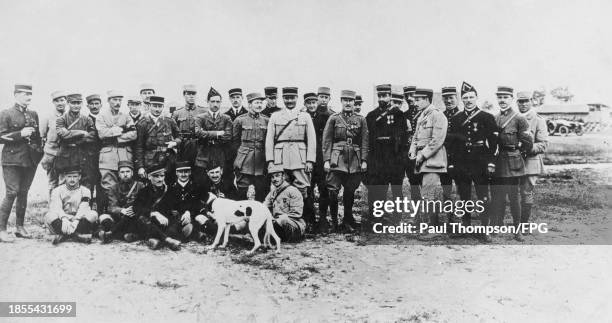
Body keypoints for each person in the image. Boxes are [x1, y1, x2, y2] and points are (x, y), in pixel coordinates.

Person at [446, 82, 498, 239]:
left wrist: (491, 162)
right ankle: (466, 226)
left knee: (483, 196)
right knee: (464, 196)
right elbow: (451, 144)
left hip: (480, 162)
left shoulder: (486, 117)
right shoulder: (456, 119)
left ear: (476, 98)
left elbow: (494, 143)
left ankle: (485, 229)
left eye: (471, 97)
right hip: (461, 163)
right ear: (462, 100)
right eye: (465, 97)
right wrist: (452, 163)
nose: (468, 100)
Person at [265, 87, 317, 231]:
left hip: (299, 157)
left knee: (303, 188)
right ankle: (279, 222)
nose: (289, 101)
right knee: (279, 187)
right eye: (287, 98)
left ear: (296, 98)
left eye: (292, 98)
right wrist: (270, 160)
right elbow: (269, 139)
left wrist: (310, 160)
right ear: (283, 99)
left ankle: (305, 221)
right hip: (280, 157)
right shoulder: (275, 116)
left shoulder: (305, 116)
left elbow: (311, 139)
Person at [0, 84, 43, 242]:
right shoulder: (6, 113)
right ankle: (2, 229)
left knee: (23, 192)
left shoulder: (33, 114)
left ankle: (20, 227)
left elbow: (37, 137)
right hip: (11, 160)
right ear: (16, 95)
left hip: (29, 160)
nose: (29, 97)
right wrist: (20, 134)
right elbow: (0, 136)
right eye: (25, 94)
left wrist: (39, 154)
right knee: (12, 192)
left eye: (30, 94)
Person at [490, 86, 533, 241]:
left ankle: (517, 230)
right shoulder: (494, 118)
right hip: (498, 162)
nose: (502, 100)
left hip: (514, 163)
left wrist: (517, 152)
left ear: (511, 99)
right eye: (499, 97)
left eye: (505, 97)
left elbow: (528, 142)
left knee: (515, 198)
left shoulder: (519, 118)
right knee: (497, 196)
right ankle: (496, 226)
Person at [322, 90, 369, 233]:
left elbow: (365, 141)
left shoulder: (361, 119)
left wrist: (364, 160)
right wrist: (326, 160)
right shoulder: (334, 118)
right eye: (345, 100)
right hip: (337, 160)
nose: (348, 103)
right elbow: (327, 140)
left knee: (350, 191)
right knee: (333, 192)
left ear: (355, 102)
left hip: (354, 160)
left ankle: (347, 220)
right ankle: (335, 222)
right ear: (341, 101)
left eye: (351, 100)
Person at [365, 85, 407, 229]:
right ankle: (376, 218)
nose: (382, 98)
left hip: (394, 159)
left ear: (390, 96)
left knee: (396, 190)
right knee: (378, 190)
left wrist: (401, 160)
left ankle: (397, 219)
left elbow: (403, 139)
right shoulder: (371, 115)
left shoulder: (399, 114)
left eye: (385, 95)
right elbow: (367, 138)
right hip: (378, 159)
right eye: (380, 96)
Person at [408, 88, 448, 227]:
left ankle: (434, 226)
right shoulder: (422, 115)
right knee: (424, 194)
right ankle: (426, 224)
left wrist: (422, 155)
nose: (415, 102)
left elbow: (437, 140)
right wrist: (412, 151)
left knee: (429, 194)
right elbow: (415, 137)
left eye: (418, 100)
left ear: (427, 99)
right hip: (420, 160)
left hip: (432, 160)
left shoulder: (438, 115)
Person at [96, 90, 137, 214]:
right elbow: (102, 134)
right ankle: (109, 214)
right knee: (109, 186)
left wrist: (115, 135)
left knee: (126, 184)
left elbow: (133, 134)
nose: (117, 102)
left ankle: (127, 213)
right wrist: (120, 130)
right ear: (108, 101)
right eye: (114, 99)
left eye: (119, 100)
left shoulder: (126, 116)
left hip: (125, 154)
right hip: (108, 156)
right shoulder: (101, 116)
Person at [132, 164, 182, 250]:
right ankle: (167, 240)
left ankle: (154, 239)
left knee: (175, 221)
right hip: (150, 222)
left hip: (165, 222)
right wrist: (153, 213)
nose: (160, 179)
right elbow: (136, 208)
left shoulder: (170, 190)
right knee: (142, 219)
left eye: (162, 176)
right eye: (156, 176)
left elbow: (177, 207)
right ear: (149, 177)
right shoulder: (144, 191)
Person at [44, 167, 99, 245]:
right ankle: (77, 235)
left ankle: (63, 236)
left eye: (75, 176)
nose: (72, 179)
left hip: (78, 220)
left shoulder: (85, 190)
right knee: (49, 215)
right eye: (69, 176)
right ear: (65, 177)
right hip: (62, 220)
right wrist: (64, 219)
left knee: (93, 214)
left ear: (79, 177)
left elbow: (84, 207)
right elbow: (57, 207)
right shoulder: (57, 190)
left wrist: (76, 220)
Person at [518, 91, 548, 230]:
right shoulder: (514, 118)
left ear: (531, 101)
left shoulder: (538, 119)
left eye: (526, 101)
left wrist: (527, 148)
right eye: (520, 101)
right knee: (510, 192)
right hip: (513, 162)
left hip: (530, 162)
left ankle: (524, 224)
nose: (523, 104)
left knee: (526, 192)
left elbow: (543, 144)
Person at [55, 93, 97, 193]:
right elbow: (63, 135)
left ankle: (85, 206)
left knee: (85, 182)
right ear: (68, 103)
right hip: (66, 156)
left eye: (78, 103)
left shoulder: (87, 119)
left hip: (82, 154)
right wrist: (82, 132)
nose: (76, 105)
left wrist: (76, 138)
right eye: (73, 103)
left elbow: (92, 136)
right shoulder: (61, 119)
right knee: (65, 183)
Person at [134, 95, 180, 184]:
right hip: (150, 162)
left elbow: (180, 137)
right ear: (149, 106)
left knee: (168, 186)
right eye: (154, 106)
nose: (157, 109)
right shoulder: (142, 124)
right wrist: (140, 167)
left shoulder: (169, 121)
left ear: (163, 107)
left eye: (160, 106)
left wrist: (174, 143)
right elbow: (139, 147)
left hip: (167, 161)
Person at [232, 92, 269, 201]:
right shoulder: (240, 120)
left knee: (262, 191)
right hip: (244, 161)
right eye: (256, 102)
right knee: (242, 191)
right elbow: (235, 142)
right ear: (249, 105)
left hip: (261, 161)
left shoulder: (266, 120)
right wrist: (238, 159)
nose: (259, 105)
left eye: (261, 103)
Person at [304, 91, 332, 233]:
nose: (312, 105)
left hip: (321, 158)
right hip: (307, 158)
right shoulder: (302, 117)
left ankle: (322, 219)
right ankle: (309, 219)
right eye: (309, 103)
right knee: (308, 189)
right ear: (305, 104)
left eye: (313, 102)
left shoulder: (326, 117)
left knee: (324, 189)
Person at [159, 161, 209, 242]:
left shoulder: (196, 187)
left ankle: (190, 233)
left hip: (192, 216)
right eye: (180, 172)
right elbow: (167, 205)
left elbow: (198, 204)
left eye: (186, 171)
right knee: (171, 226)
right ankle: (192, 234)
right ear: (176, 173)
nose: (183, 174)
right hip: (176, 218)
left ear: (190, 172)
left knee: (198, 221)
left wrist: (189, 212)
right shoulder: (170, 188)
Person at [97, 160, 146, 243]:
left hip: (135, 217)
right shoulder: (114, 188)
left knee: (141, 220)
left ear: (132, 173)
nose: (125, 174)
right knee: (104, 218)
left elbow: (144, 203)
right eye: (122, 172)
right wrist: (123, 211)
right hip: (120, 218)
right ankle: (130, 236)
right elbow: (112, 207)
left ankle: (111, 234)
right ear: (119, 174)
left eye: (128, 171)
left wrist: (135, 209)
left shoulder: (140, 186)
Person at [194, 87, 233, 184]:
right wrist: (217, 133)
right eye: (213, 101)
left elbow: (228, 136)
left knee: (222, 183)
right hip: (203, 156)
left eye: (218, 102)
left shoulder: (226, 118)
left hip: (220, 155)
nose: (215, 104)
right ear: (208, 102)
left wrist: (206, 134)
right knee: (202, 183)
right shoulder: (200, 118)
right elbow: (198, 133)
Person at [264, 167, 306, 242]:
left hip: (294, 225)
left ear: (283, 177)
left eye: (277, 176)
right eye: (272, 177)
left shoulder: (293, 191)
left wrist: (277, 219)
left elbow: (296, 214)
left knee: (283, 220)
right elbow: (264, 206)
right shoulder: (272, 193)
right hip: (277, 224)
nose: (274, 179)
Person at [440, 86, 463, 220]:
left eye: (451, 98)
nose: (448, 101)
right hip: (444, 157)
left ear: (457, 99)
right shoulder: (440, 115)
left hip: (460, 158)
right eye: (446, 98)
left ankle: (460, 219)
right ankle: (450, 218)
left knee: (461, 189)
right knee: (446, 189)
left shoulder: (463, 116)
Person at [40, 90, 67, 196]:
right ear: (53, 103)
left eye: (62, 100)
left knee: (64, 182)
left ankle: (63, 208)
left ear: (66, 101)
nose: (60, 103)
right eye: (57, 101)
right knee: (52, 182)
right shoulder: (47, 117)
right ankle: (52, 208)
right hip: (51, 155)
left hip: (66, 154)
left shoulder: (70, 116)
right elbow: (42, 136)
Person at [173, 84, 207, 165]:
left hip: (199, 146)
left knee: (199, 171)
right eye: (188, 94)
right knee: (184, 170)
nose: (191, 96)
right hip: (183, 146)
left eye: (193, 94)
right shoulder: (177, 113)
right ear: (184, 95)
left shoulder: (203, 111)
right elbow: (173, 132)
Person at [402, 85, 423, 202]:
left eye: (412, 95)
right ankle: (417, 214)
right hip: (409, 154)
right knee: (413, 183)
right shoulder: (403, 115)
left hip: (424, 153)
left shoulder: (425, 113)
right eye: (407, 96)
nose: (409, 98)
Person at [85, 94, 103, 211]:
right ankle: (88, 213)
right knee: (89, 186)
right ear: (87, 106)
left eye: (97, 103)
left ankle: (102, 213)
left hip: (103, 157)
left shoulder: (105, 119)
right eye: (92, 104)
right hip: (89, 158)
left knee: (102, 186)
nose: (94, 106)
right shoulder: (84, 120)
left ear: (101, 105)